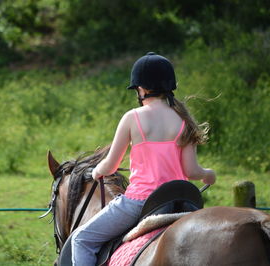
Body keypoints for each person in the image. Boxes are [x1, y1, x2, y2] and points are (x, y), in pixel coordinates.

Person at [71, 52, 216, 265]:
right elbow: (191, 171)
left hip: (140, 203)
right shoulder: (183, 120)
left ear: (142, 89)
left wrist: (97, 170)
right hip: (179, 201)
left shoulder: (132, 118)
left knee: (81, 239)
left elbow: (111, 166)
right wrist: (208, 174)